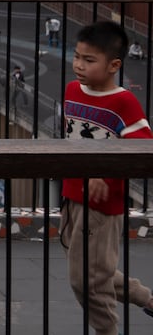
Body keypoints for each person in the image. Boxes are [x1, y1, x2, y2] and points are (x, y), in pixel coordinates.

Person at [58, 20, 153, 335]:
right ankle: (147, 299)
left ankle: (106, 331)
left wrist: (106, 173)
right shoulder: (72, 90)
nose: (79, 66)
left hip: (101, 205)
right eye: (77, 56)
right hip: (72, 194)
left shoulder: (123, 102)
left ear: (114, 65)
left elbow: (143, 147)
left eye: (89, 60)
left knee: (85, 279)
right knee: (95, 272)